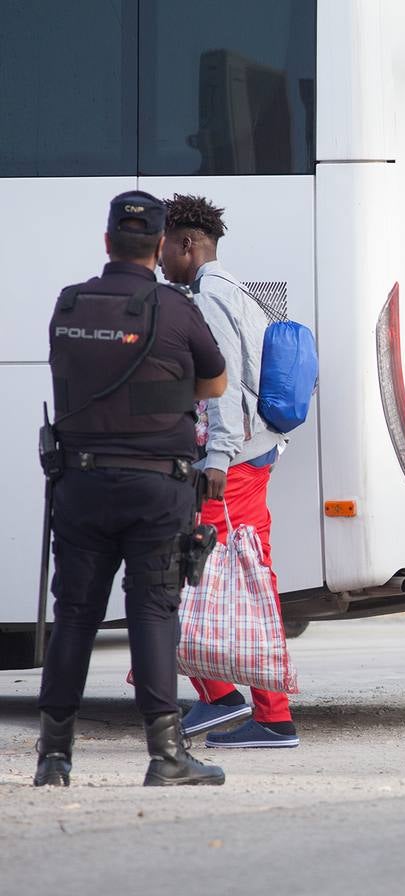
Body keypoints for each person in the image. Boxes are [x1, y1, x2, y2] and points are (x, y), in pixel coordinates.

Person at [35, 191, 229, 787]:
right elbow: (216, 385)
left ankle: (54, 758)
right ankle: (165, 756)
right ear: (160, 245)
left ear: (107, 242)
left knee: (73, 617)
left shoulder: (69, 304)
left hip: (81, 482)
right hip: (156, 489)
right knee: (151, 612)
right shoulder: (173, 309)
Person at [160, 194, 297, 749]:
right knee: (230, 572)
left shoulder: (210, 298)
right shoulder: (230, 289)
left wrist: (215, 457)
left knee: (196, 569)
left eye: (165, 247)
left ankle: (255, 710)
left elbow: (224, 384)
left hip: (232, 462)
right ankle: (237, 702)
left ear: (188, 245)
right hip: (251, 455)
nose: (160, 259)